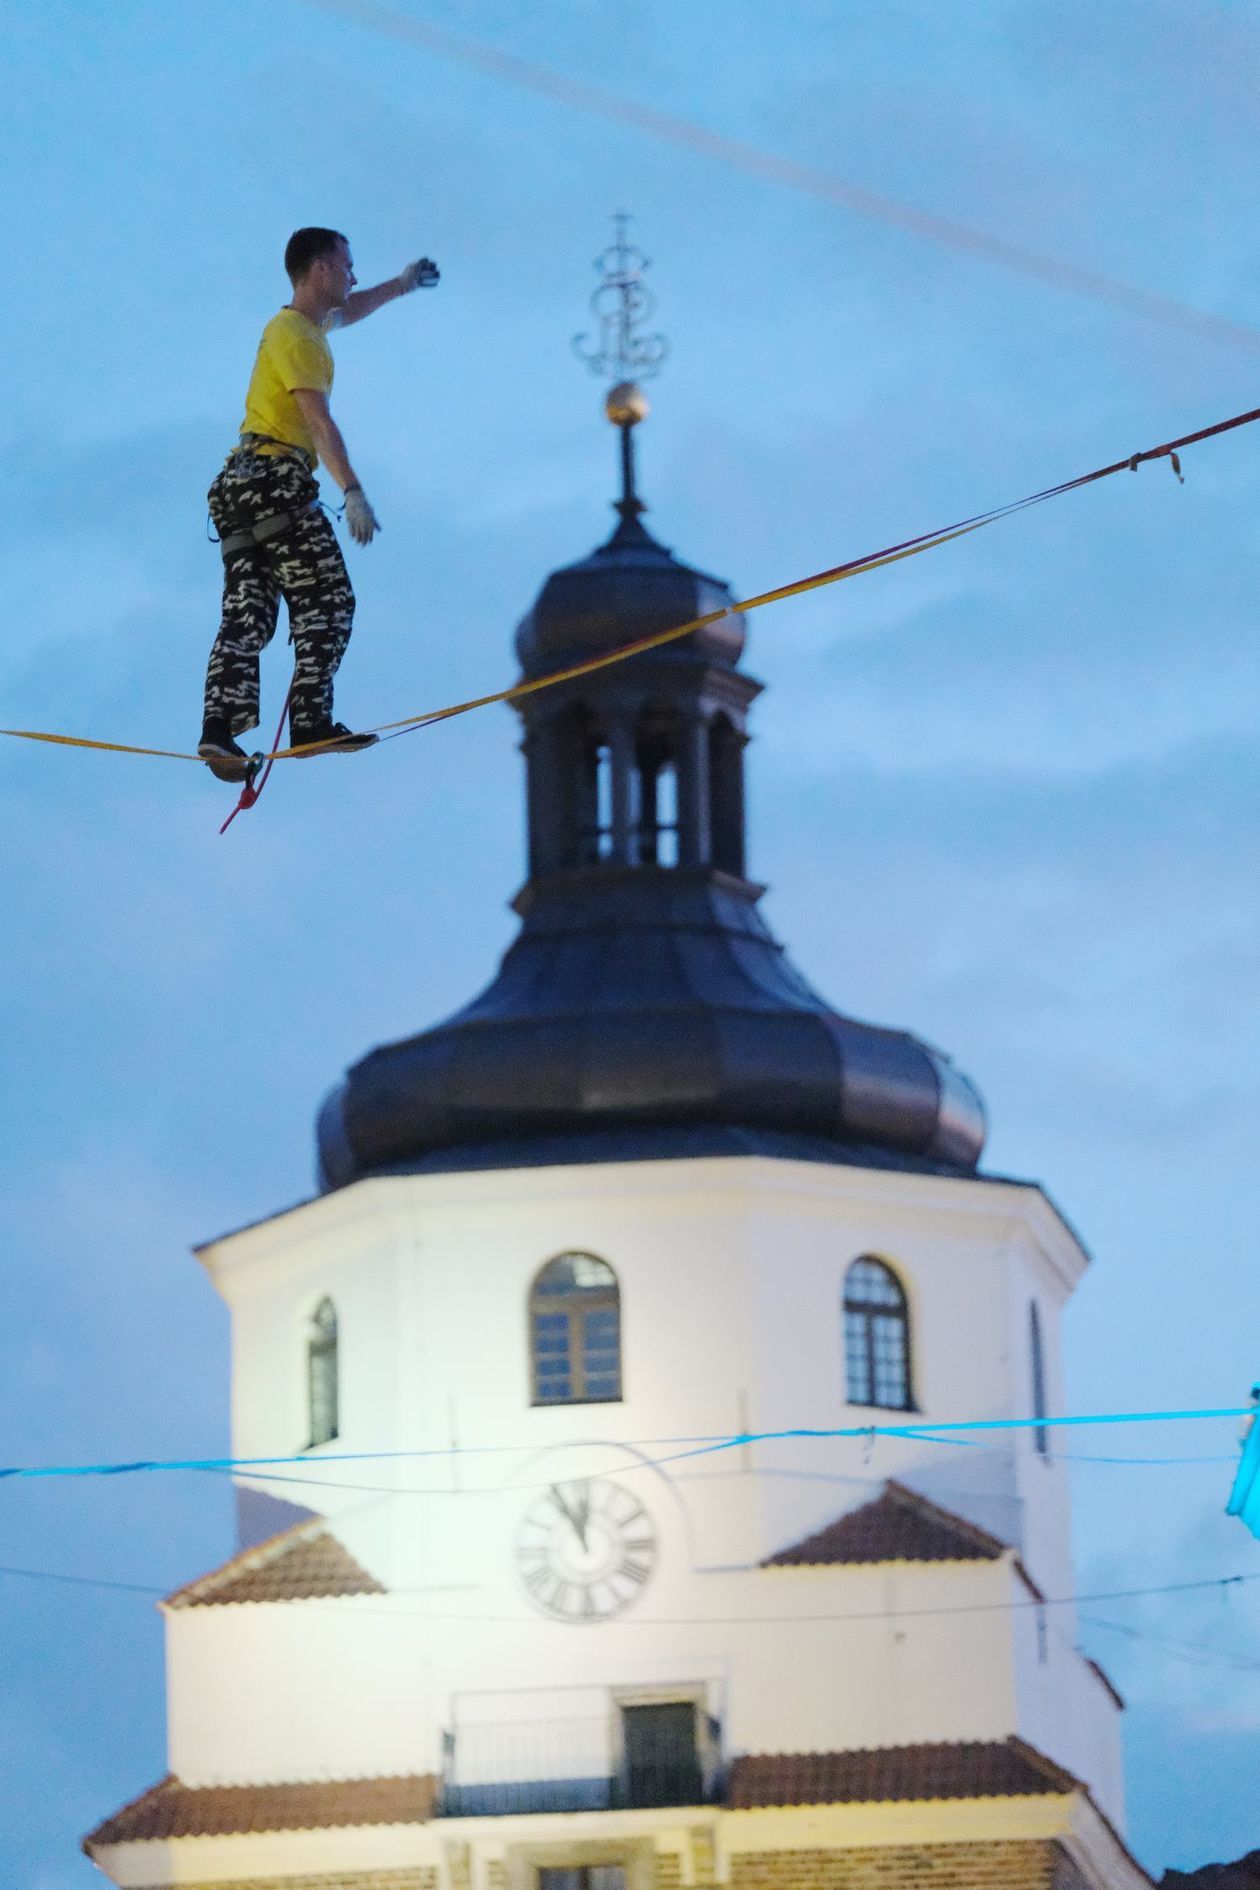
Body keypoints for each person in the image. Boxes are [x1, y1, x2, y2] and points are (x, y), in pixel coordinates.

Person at [198, 227, 439, 782]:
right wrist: (352, 490)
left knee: (247, 614)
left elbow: (351, 310)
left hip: (238, 488)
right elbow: (317, 420)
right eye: (347, 265)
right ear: (320, 269)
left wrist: (400, 286)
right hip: (276, 482)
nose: (353, 275)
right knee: (328, 600)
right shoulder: (298, 337)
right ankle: (310, 721)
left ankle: (218, 730)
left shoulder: (300, 327)